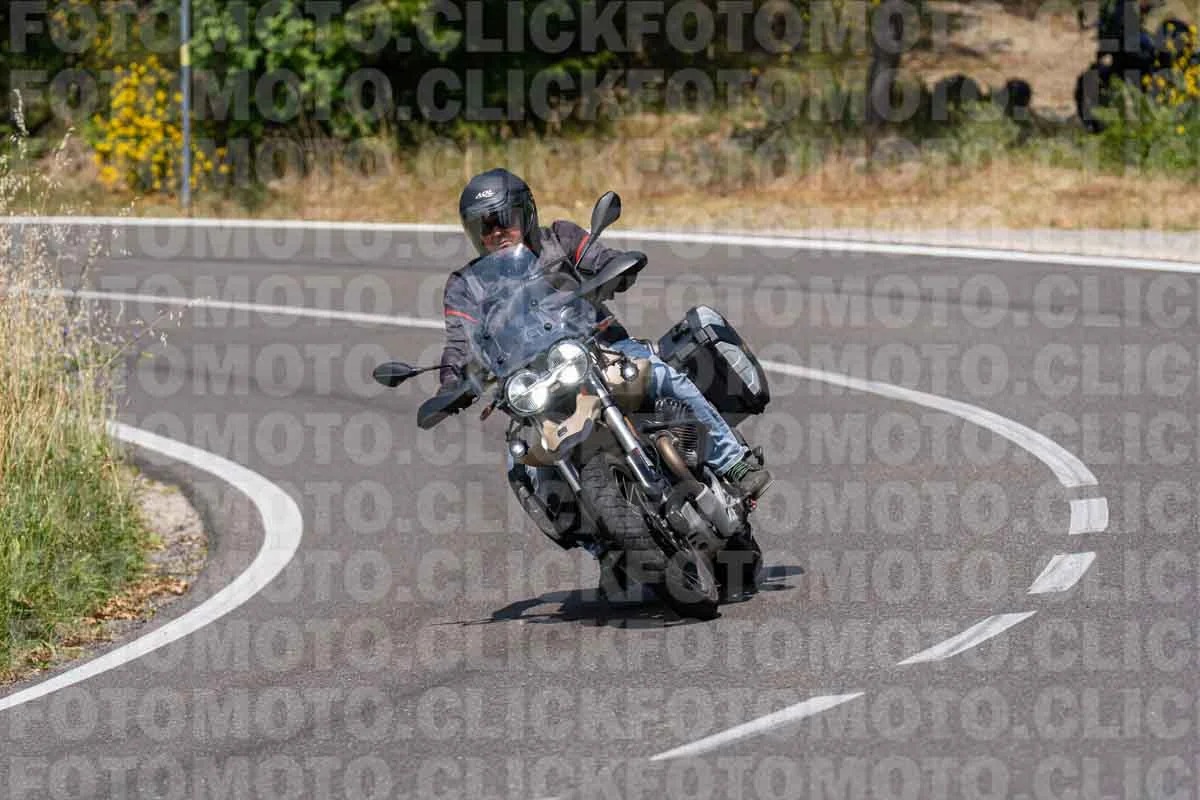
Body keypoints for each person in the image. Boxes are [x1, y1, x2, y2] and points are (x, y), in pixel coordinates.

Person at [436, 168, 771, 549]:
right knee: (524, 465)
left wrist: (615, 268)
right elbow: (458, 344)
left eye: (503, 220)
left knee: (663, 375)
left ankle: (734, 462)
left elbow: (600, 258)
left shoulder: (559, 238)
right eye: (485, 225)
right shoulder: (465, 286)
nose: (496, 232)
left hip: (600, 349)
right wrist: (451, 384)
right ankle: (605, 550)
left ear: (525, 214)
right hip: (535, 386)